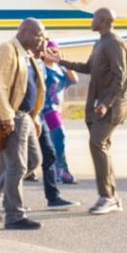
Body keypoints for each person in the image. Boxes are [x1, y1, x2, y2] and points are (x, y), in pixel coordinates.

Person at [55, 7, 127, 215]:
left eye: (95, 18)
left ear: (104, 21)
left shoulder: (114, 42)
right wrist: (60, 61)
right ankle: (112, 197)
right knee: (101, 146)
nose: (92, 21)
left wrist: (106, 103)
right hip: (98, 105)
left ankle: (107, 197)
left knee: (97, 144)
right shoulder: (100, 43)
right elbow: (88, 68)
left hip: (112, 105)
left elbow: (121, 77)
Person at [0, 19, 47, 230]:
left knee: (34, 161)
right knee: (17, 166)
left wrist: (34, 117)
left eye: (43, 35)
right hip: (12, 116)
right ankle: (14, 216)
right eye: (38, 35)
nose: (41, 39)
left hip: (26, 116)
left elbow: (31, 87)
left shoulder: (28, 55)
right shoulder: (7, 49)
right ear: (23, 32)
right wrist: (6, 116)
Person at [42, 41, 78, 184]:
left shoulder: (60, 69)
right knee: (59, 136)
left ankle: (58, 170)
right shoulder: (42, 68)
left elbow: (74, 79)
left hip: (56, 110)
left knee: (52, 141)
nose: (52, 53)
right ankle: (62, 171)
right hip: (46, 110)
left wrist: (63, 61)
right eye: (49, 51)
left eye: (54, 51)